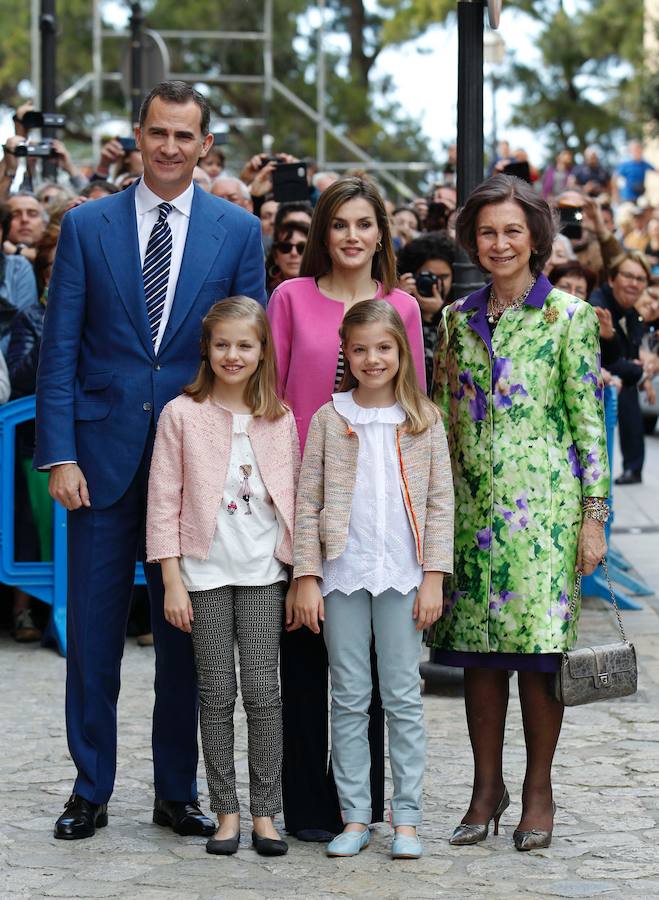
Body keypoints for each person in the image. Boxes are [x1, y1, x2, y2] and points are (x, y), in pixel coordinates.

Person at [35, 80, 266, 841]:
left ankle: (177, 791)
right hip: (98, 464)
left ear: (205, 143)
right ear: (138, 135)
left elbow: (248, 356)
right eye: (158, 132)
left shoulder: (236, 232)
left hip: (198, 469)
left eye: (185, 135)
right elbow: (59, 347)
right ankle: (89, 789)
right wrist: (59, 453)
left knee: (186, 642)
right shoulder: (88, 225)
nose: (170, 147)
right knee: (93, 639)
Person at [431, 174, 609, 851]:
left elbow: (586, 423)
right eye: (486, 232)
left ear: (535, 238)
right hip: (471, 512)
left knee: (537, 659)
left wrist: (592, 518)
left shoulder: (565, 316)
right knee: (477, 658)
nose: (499, 243)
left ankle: (538, 790)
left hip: (544, 518)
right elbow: (446, 421)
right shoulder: (455, 318)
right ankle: (485, 789)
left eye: (511, 230)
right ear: (471, 240)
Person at [267, 176, 426, 842]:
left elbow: (415, 418)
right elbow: (268, 402)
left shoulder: (401, 309)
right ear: (322, 234)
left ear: (381, 234)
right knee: (307, 665)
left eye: (365, 224)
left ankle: (371, 810)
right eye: (339, 225)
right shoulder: (290, 299)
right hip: (299, 503)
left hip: (380, 517)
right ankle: (310, 805)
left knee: (381, 677)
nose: (352, 237)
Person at [293, 300, 453, 859]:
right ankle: (356, 815)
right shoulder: (328, 419)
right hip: (343, 573)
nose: (372, 358)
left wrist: (433, 575)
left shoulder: (425, 420)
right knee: (350, 695)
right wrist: (307, 575)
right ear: (346, 354)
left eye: (383, 347)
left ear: (401, 352)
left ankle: (406, 818)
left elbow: (440, 504)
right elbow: (308, 500)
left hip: (404, 575)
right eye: (359, 349)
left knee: (403, 695)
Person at [146, 297, 298, 858]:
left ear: (262, 352)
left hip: (263, 574)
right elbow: (163, 500)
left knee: (263, 692)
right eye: (222, 344)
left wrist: (300, 571)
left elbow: (297, 501)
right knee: (214, 694)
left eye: (245, 345)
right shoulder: (181, 415)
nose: (233, 355)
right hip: (202, 573)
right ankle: (225, 810)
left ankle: (265, 812)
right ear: (207, 349)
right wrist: (172, 579)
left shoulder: (280, 418)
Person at [590, 251, 654, 484]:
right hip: (593, 381)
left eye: (640, 279)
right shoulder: (598, 304)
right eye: (628, 276)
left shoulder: (632, 313)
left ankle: (633, 469)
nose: (634, 284)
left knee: (628, 391)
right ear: (612, 279)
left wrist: (638, 370)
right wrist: (639, 373)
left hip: (618, 380)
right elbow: (608, 359)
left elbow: (629, 357)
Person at [397, 231, 456, 390]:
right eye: (428, 276)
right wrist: (399, 301)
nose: (434, 283)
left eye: (443, 277)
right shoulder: (398, 307)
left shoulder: (460, 313)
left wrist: (439, 314)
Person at [265, 221, 309, 297]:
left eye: (302, 247)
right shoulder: (261, 293)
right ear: (275, 256)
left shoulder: (325, 290)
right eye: (285, 247)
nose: (294, 253)